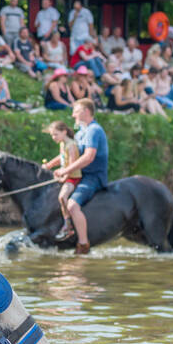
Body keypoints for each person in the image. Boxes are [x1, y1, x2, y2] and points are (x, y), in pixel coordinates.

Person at [62, 98, 110, 254]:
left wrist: (66, 170)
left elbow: (89, 157)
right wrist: (51, 166)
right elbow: (70, 152)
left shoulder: (93, 130)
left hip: (93, 176)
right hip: (81, 175)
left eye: (76, 111)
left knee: (72, 205)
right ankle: (66, 227)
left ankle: (83, 244)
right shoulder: (81, 131)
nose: (73, 115)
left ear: (86, 112)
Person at [41, 120, 82, 239]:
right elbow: (62, 158)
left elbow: (72, 164)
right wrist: (50, 165)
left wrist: (64, 176)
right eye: (52, 135)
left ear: (64, 132)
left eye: (56, 134)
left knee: (62, 197)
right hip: (66, 175)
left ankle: (67, 225)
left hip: (73, 178)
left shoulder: (71, 145)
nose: (53, 137)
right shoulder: (63, 144)